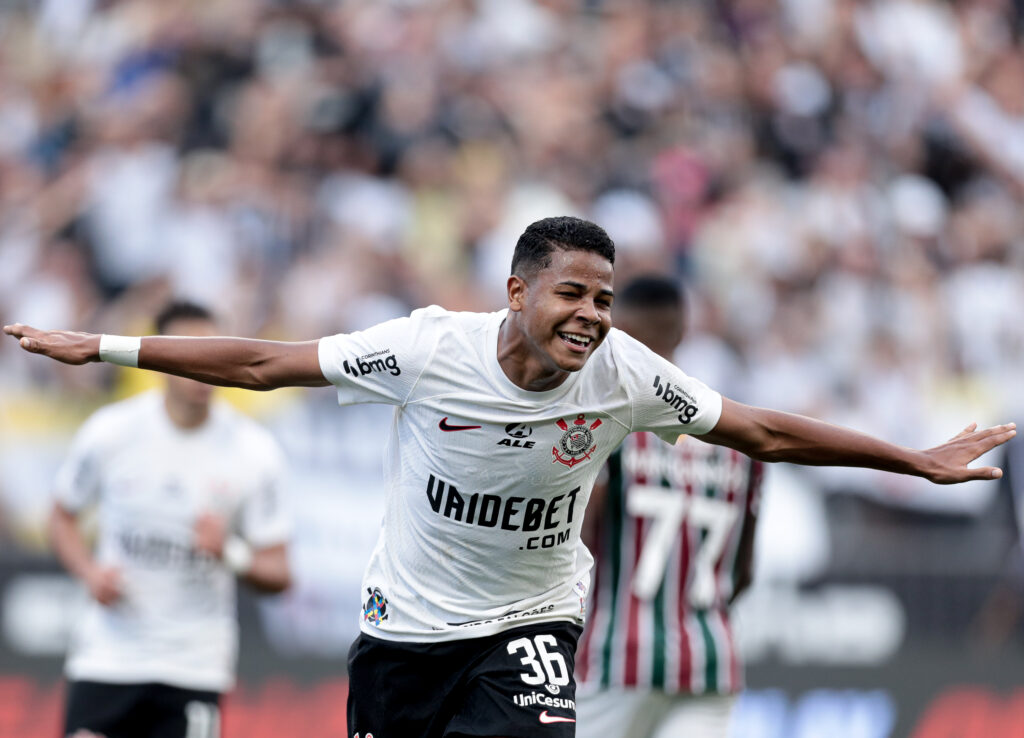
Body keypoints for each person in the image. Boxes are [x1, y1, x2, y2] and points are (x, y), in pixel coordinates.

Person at [4, 216, 1014, 738]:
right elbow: (267, 363)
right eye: (572, 293)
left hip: (530, 624)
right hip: (403, 629)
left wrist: (910, 458)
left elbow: (759, 432)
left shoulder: (624, 373)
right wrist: (100, 347)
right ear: (516, 290)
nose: (591, 314)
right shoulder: (425, 350)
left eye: (606, 298)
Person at [47, 301, 291, 738]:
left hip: (193, 666)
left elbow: (280, 573)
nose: (202, 368)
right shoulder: (111, 433)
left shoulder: (255, 452)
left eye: (213, 353)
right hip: (109, 656)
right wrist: (89, 573)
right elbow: (62, 515)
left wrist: (230, 553)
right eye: (188, 355)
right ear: (160, 360)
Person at [575, 275, 763, 738]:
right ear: (681, 332)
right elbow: (743, 572)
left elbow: (575, 542)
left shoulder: (611, 424)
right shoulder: (736, 440)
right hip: (709, 659)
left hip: (616, 658)